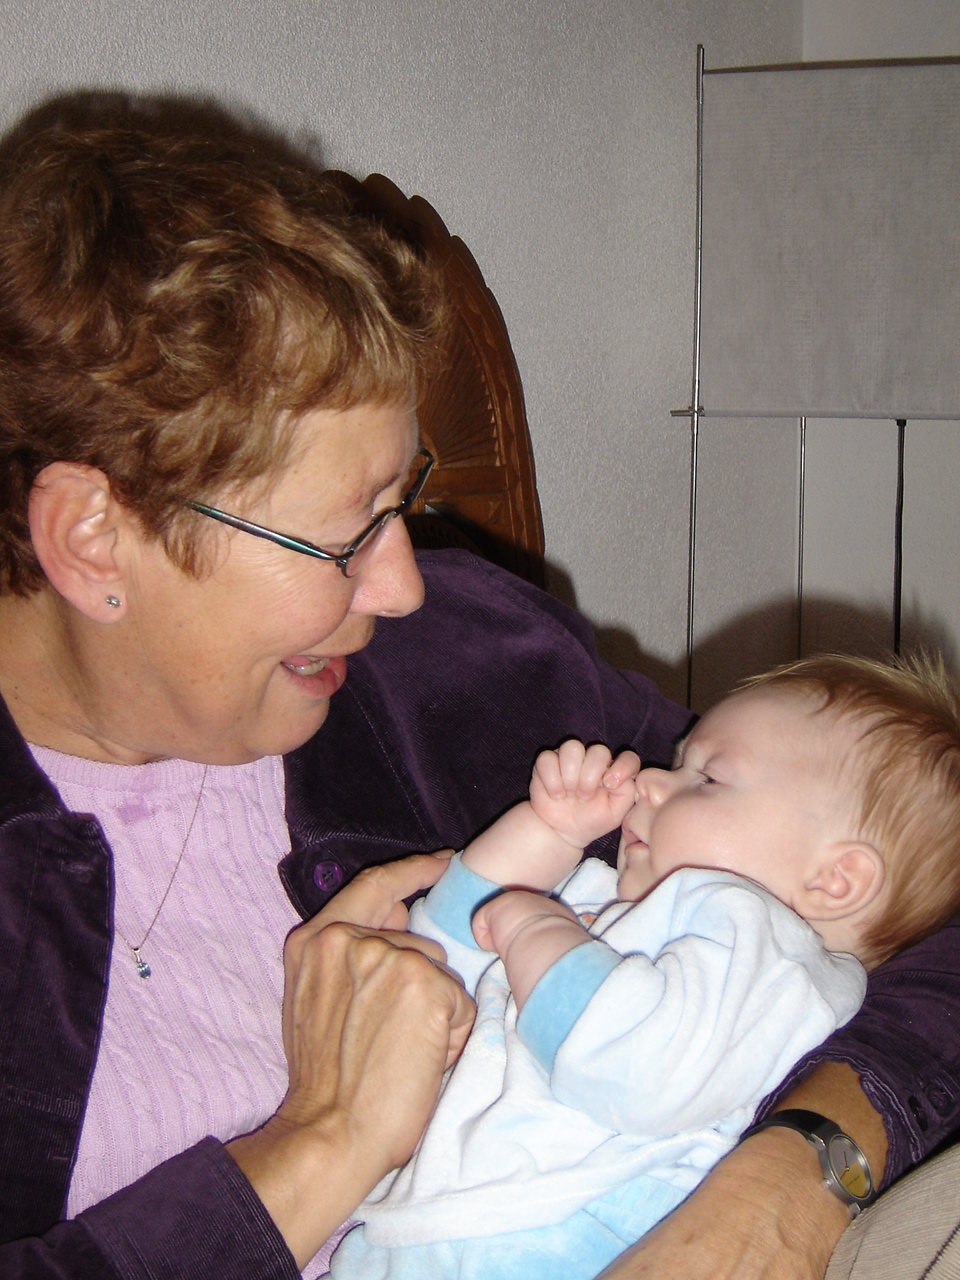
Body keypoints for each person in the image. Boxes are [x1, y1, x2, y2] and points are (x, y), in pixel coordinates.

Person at [0, 86, 958, 1280]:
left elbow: (905, 867)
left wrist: (796, 1174)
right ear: (93, 538)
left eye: (402, 499)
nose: (405, 583)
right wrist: (323, 1142)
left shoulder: (465, 658)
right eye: (345, 533)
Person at [332, 654, 960, 1279]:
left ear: (835, 879)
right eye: (679, 761)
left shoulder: (769, 957)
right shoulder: (613, 904)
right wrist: (549, 832)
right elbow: (443, 956)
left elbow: (634, 1065)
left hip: (566, 1238)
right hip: (446, 1230)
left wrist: (532, 930)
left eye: (708, 779)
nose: (652, 781)